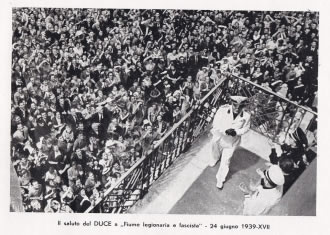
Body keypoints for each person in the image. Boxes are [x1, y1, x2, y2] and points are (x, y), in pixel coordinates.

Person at [209, 96, 251, 189]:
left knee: (226, 161)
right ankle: (215, 159)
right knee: (215, 151)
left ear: (243, 106)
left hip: (231, 141)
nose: (237, 108)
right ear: (232, 103)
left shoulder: (246, 116)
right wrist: (225, 131)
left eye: (240, 106)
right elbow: (215, 124)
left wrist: (237, 132)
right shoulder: (222, 110)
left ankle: (220, 179)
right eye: (235, 105)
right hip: (219, 137)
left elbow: (246, 128)